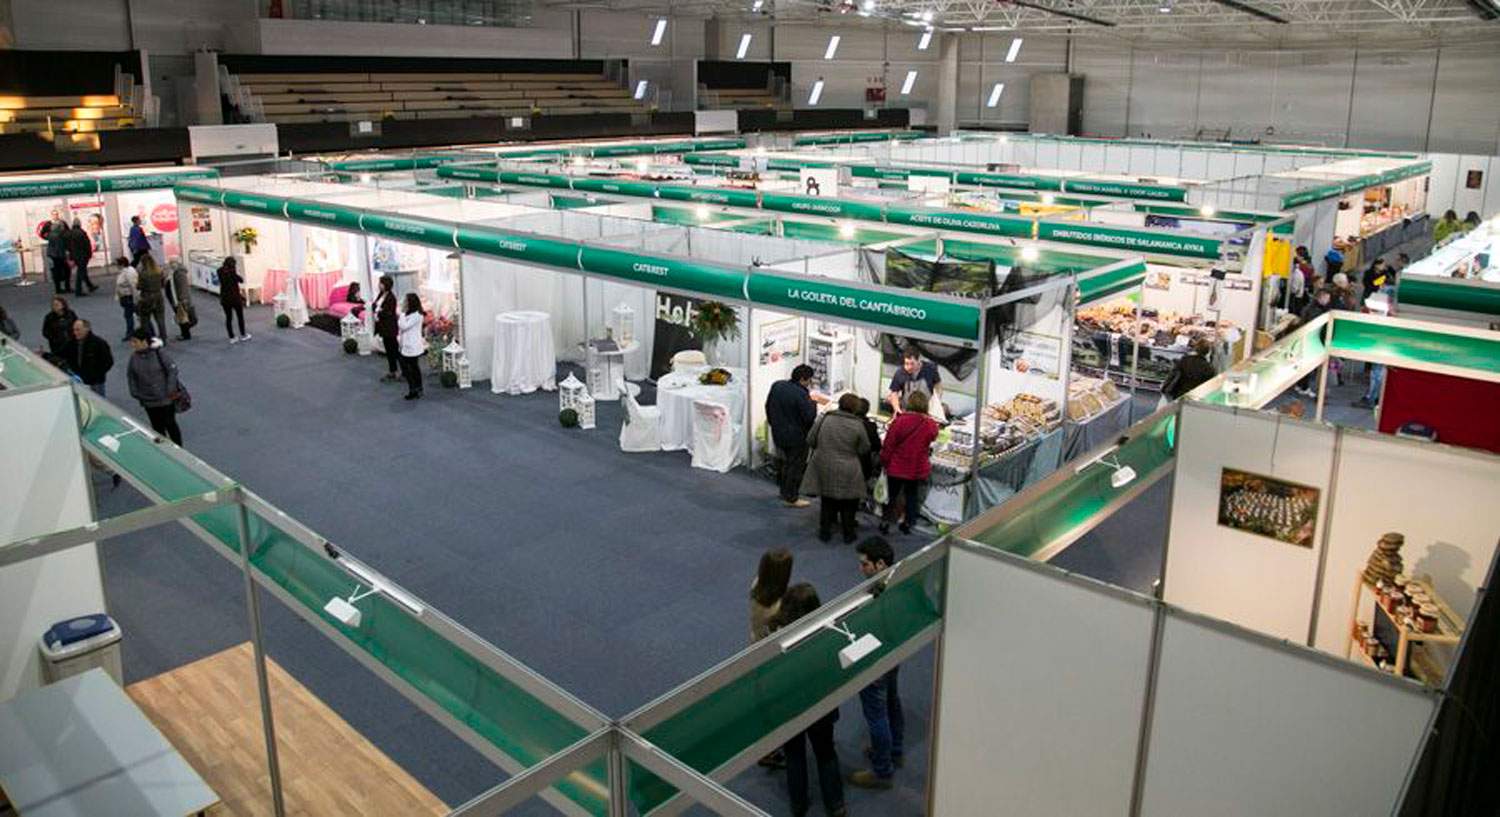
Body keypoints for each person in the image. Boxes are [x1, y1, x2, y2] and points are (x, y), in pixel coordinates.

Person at [772, 583, 847, 817]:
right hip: (821, 702)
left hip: (790, 705)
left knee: (794, 755)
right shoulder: (827, 629)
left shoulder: (776, 635)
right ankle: (836, 805)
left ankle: (799, 804)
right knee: (825, 752)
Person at [848, 536, 904, 790]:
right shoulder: (899, 580)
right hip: (894, 654)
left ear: (880, 564)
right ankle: (896, 748)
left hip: (877, 661)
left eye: (864, 564)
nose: (861, 569)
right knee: (892, 701)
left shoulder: (876, 596)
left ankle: (882, 770)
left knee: (876, 715)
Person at [802, 393, 871, 544]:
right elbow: (865, 448)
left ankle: (825, 532)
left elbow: (810, 439)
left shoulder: (825, 419)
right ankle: (848, 534)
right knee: (849, 503)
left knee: (827, 501)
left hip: (824, 464)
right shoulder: (858, 424)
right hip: (849, 467)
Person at [879, 391, 939, 535]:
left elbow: (889, 445)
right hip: (917, 467)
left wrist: (884, 462)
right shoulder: (929, 424)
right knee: (912, 496)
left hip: (897, 466)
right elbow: (933, 436)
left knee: (892, 496)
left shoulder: (899, 421)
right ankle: (908, 523)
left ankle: (886, 522)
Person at [766, 364, 819, 508]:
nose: (810, 383)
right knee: (795, 466)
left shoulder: (777, 386)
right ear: (803, 379)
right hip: (797, 437)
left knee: (784, 463)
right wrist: (813, 404)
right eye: (809, 380)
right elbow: (809, 417)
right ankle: (791, 497)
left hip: (778, 432)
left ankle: (784, 491)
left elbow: (768, 406)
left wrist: (774, 424)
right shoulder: (801, 394)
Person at [126, 327, 183, 445]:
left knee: (170, 423)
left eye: (135, 341)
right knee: (157, 427)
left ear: (144, 341)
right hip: (148, 400)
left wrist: (170, 389)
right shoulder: (133, 357)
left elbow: (172, 371)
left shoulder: (159, 354)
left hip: (165, 399)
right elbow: (131, 376)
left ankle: (178, 449)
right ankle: (163, 450)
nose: (132, 344)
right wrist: (134, 392)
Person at [60, 319, 113, 397]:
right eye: (74, 330)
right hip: (78, 381)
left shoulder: (99, 343)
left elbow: (108, 362)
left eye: (78, 330)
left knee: (98, 404)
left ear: (87, 329)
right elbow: (61, 354)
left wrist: (96, 375)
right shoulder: (71, 343)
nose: (75, 333)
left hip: (95, 383)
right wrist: (45, 355)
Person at [887, 347, 941, 416]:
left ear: (919, 361)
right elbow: (894, 392)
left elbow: (938, 385)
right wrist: (896, 408)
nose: (909, 367)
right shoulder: (900, 372)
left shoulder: (930, 369)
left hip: (927, 411)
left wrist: (936, 402)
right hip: (906, 410)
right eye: (906, 363)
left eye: (912, 364)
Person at [372, 275, 401, 382]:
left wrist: (379, 312)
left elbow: (389, 313)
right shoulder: (381, 295)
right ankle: (392, 370)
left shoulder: (391, 297)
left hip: (390, 328)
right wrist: (377, 310)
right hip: (383, 327)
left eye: (381, 283)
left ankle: (402, 371)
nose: (379, 285)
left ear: (386, 284)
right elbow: (375, 305)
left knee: (395, 350)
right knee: (388, 351)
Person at [398, 292, 427, 400]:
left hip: (412, 346)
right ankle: (417, 388)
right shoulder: (409, 314)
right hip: (407, 345)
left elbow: (404, 326)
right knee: (412, 368)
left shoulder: (417, 315)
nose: (403, 303)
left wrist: (401, 314)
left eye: (405, 301)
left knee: (411, 368)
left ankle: (414, 389)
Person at [135, 255, 169, 342]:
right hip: (158, 296)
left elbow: (139, 286)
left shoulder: (142, 274)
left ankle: (148, 338)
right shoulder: (159, 272)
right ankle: (163, 337)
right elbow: (163, 284)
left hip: (146, 297)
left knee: (145, 320)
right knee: (160, 319)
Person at [218, 257, 249, 343]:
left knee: (228, 318)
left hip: (225, 299)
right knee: (240, 317)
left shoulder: (219, 271)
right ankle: (243, 335)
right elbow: (241, 280)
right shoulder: (232, 272)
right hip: (235, 298)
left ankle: (231, 337)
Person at [67, 218, 97, 296]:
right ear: (79, 224)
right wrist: (89, 254)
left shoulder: (70, 233)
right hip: (82, 255)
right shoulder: (81, 233)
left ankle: (90, 286)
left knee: (82, 271)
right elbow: (86, 245)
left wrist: (71, 256)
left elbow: (68, 246)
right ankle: (78, 290)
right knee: (81, 272)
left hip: (75, 255)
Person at [169, 260, 196, 341]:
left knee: (184, 317)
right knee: (184, 316)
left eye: (171, 263)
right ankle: (185, 332)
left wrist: (182, 299)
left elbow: (182, 287)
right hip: (183, 298)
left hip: (182, 299)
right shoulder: (178, 273)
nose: (170, 265)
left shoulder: (179, 274)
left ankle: (186, 333)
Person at [113, 256, 138, 340]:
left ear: (122, 264)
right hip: (126, 297)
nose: (116, 266)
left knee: (129, 315)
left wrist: (135, 299)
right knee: (132, 315)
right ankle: (131, 332)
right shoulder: (123, 271)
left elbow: (133, 286)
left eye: (117, 264)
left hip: (129, 297)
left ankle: (130, 332)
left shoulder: (128, 272)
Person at [44, 216, 70, 295]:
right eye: (62, 227)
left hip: (52, 256)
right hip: (57, 256)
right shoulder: (58, 236)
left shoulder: (51, 235)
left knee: (56, 272)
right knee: (66, 271)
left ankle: (59, 289)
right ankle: (65, 288)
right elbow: (60, 248)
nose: (63, 228)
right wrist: (65, 257)